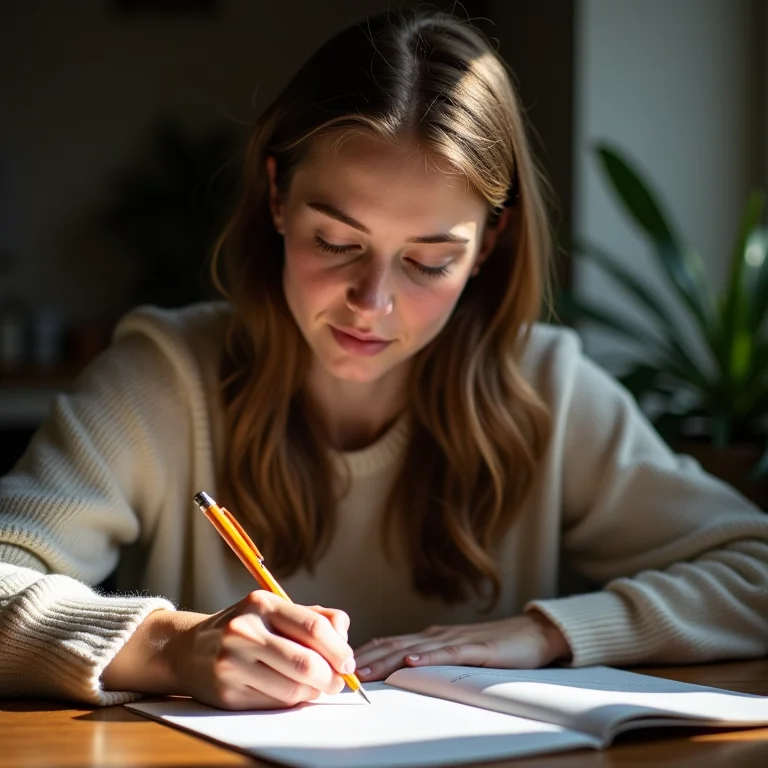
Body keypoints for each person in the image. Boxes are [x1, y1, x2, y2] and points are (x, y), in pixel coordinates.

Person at [1, 8, 767, 712]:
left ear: (487, 247)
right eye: (336, 243)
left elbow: (755, 571)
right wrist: (171, 649)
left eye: (429, 262)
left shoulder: (549, 390)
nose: (373, 304)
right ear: (276, 196)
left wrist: (545, 633)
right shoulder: (163, 379)